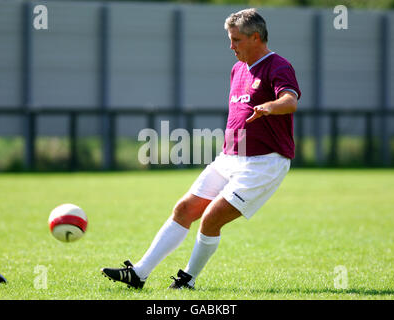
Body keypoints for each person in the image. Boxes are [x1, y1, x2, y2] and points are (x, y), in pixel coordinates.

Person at [101, 8, 301, 290]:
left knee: (210, 219)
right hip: (230, 156)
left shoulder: (278, 66)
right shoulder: (238, 68)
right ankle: (139, 273)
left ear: (256, 37)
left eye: (236, 40)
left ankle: (187, 280)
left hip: (263, 163)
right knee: (184, 209)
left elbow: (290, 101)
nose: (231, 46)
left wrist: (269, 107)